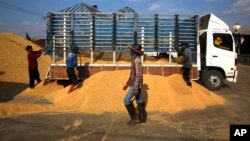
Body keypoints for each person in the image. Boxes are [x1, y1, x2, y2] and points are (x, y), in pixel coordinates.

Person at [123, 44, 146, 126]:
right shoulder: (134, 60)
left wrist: (136, 88)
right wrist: (127, 83)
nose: (130, 52)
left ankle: (134, 118)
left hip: (135, 85)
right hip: (134, 83)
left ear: (135, 52)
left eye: (132, 51)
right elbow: (132, 74)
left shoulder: (137, 61)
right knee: (139, 100)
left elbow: (139, 76)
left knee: (126, 100)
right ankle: (142, 118)